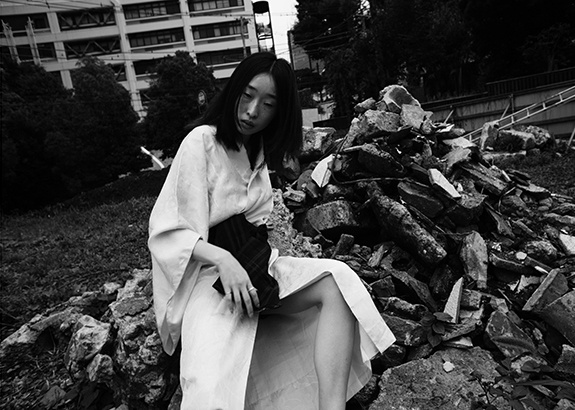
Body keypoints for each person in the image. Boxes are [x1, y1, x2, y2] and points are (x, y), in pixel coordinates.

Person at [148, 52, 395, 410]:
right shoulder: (201, 141)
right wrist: (223, 259)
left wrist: (248, 265)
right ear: (234, 90)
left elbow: (256, 228)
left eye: (267, 104)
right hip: (206, 276)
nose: (252, 111)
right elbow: (166, 230)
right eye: (247, 95)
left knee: (336, 281)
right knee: (208, 383)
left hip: (256, 268)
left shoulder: (259, 153)